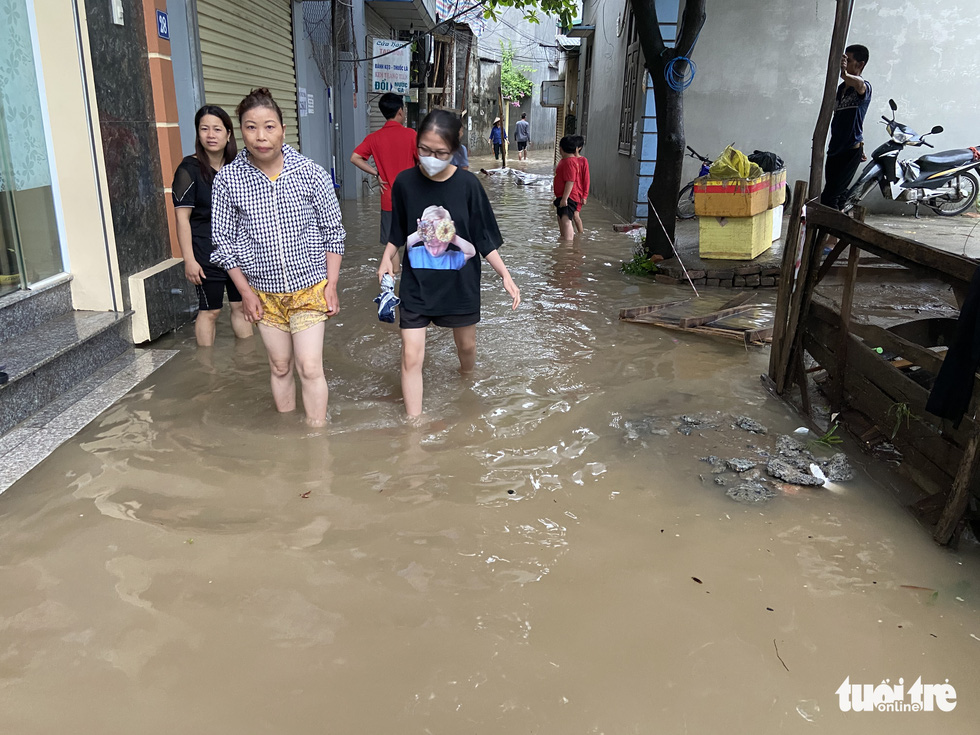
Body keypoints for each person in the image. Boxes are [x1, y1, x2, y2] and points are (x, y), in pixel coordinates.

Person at [211, 88, 345, 427]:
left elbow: (334, 231)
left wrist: (332, 284)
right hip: (263, 294)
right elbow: (222, 241)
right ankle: (288, 436)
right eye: (251, 127)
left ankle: (317, 439)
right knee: (280, 366)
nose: (261, 136)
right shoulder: (229, 179)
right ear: (239, 131)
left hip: (309, 288)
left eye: (269, 126)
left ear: (283, 129)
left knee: (310, 366)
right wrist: (245, 292)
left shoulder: (310, 173)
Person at [378, 109, 521, 421]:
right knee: (411, 356)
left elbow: (483, 239)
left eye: (440, 152)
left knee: (466, 349)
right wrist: (386, 258)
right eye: (424, 150)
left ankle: (467, 381)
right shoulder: (404, 182)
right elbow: (397, 231)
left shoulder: (469, 186)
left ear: (455, 150)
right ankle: (413, 426)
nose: (430, 158)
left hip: (460, 287)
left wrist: (505, 276)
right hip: (417, 288)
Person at [172, 105, 252, 346]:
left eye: (217, 129)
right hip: (206, 251)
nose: (210, 135)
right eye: (204, 129)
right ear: (198, 134)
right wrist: (189, 260)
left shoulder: (240, 168)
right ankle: (208, 370)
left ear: (228, 134)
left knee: (241, 305)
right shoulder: (188, 170)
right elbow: (182, 219)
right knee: (211, 310)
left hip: (239, 250)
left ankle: (248, 363)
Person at [350, 92, 418, 247]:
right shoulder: (411, 135)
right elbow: (424, 163)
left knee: (391, 241)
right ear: (400, 111)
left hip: (388, 198)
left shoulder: (374, 137)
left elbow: (354, 157)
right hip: (411, 197)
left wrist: (377, 173)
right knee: (414, 240)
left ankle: (393, 271)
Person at [820, 44, 871, 210]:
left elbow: (859, 83)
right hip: (835, 148)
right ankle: (838, 233)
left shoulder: (863, 87)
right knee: (838, 196)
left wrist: (844, 73)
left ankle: (830, 234)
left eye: (848, 61)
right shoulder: (841, 89)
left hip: (849, 150)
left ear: (860, 64)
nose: (845, 64)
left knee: (829, 198)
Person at [553, 136, 582, 241]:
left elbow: (570, 181)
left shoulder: (569, 162)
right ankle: (564, 238)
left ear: (561, 148)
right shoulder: (565, 160)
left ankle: (568, 244)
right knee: (561, 218)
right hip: (562, 197)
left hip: (569, 197)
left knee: (566, 219)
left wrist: (565, 198)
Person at [572, 134, 590, 234]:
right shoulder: (568, 160)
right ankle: (572, 235)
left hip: (578, 194)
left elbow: (586, 179)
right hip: (569, 193)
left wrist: (584, 196)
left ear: (580, 148)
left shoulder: (583, 161)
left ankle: (580, 235)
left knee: (575, 215)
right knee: (568, 217)